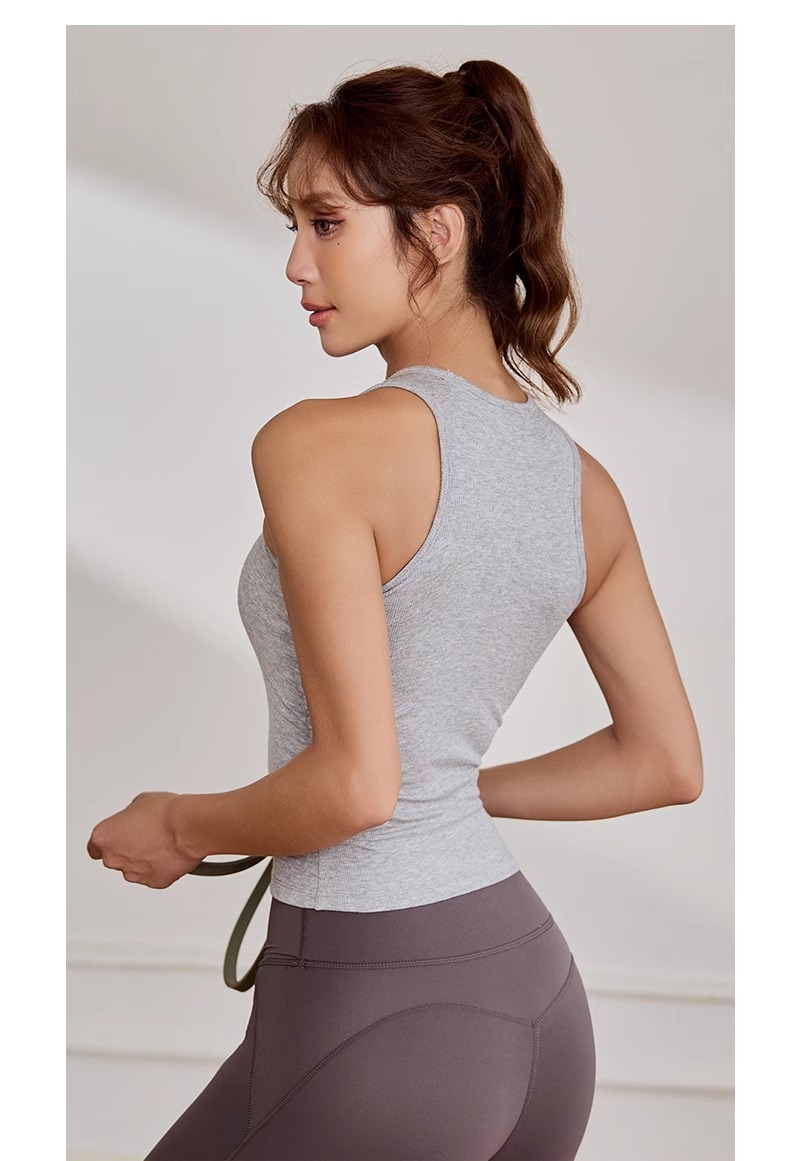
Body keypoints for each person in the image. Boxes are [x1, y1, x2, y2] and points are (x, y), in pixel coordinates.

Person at [92, 57, 703, 1161]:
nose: (296, 262)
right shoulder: (582, 488)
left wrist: (176, 826)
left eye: (327, 223)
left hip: (377, 1007)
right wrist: (449, 792)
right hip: (537, 1011)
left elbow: (356, 786)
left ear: (439, 231)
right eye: (295, 226)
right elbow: (664, 763)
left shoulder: (318, 446)